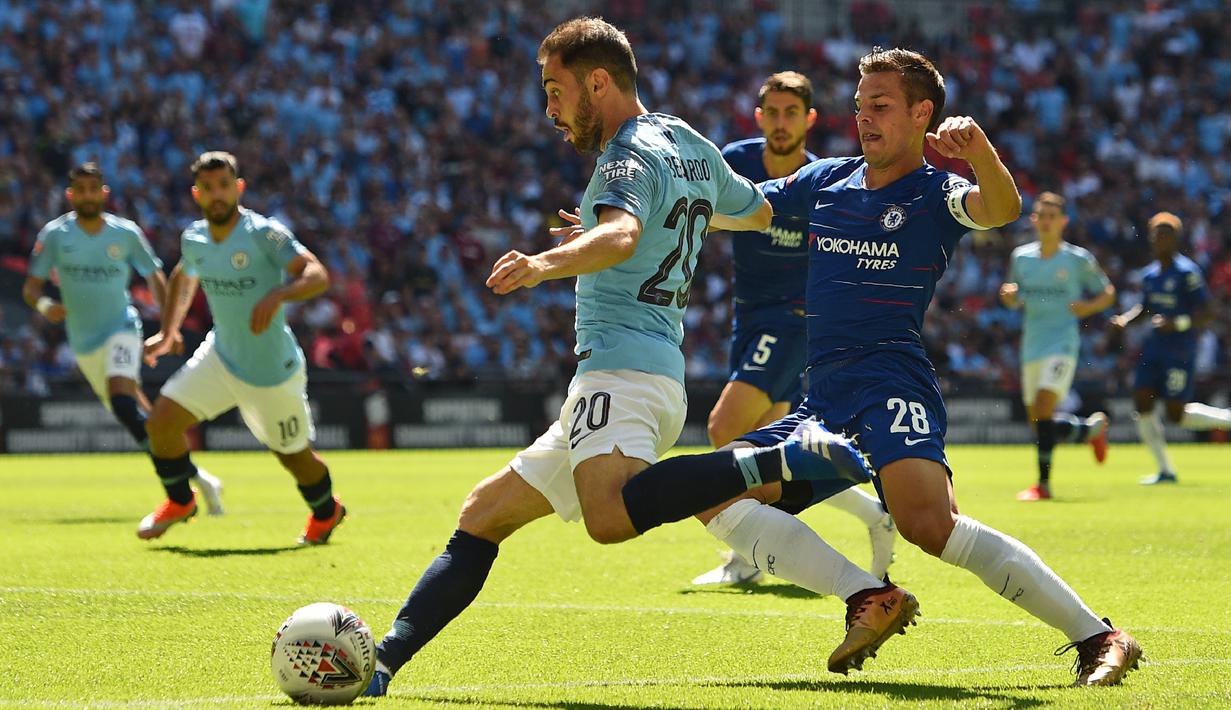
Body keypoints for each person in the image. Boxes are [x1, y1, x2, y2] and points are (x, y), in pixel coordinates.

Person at [364, 18, 877, 697]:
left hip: (623, 369)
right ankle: (380, 664)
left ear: (597, 82)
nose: (548, 108)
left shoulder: (625, 157)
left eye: (555, 90)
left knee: (607, 519)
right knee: (484, 512)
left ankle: (778, 457)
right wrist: (630, 228)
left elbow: (625, 233)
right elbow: (752, 212)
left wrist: (546, 260)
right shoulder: (686, 141)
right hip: (642, 369)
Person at [618, 47, 1142, 685]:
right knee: (713, 495)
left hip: (891, 378)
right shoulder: (827, 180)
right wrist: (642, 216)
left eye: (881, 107)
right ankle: (869, 595)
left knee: (929, 524)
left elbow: (1001, 209)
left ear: (923, 114)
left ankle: (1099, 635)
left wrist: (979, 153)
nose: (864, 118)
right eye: (860, 106)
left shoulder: (934, 191)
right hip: (822, 394)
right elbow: (746, 207)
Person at [697, 71, 895, 585]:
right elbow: (693, 204)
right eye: (772, 113)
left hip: (795, 321)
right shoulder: (734, 162)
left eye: (792, 113)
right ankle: (873, 513)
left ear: (809, 119)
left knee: (723, 430)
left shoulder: (822, 181)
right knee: (770, 453)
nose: (781, 123)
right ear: (758, 117)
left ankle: (747, 555)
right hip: (749, 315)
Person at [139, 151, 345, 545]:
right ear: (197, 193)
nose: (217, 195)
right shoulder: (194, 237)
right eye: (209, 188)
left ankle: (327, 512)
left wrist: (278, 295)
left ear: (238, 188)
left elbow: (317, 274)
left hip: (271, 371)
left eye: (224, 186)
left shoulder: (264, 233)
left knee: (293, 457)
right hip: (220, 356)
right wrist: (168, 332)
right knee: (161, 422)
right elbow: (185, 277)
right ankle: (181, 501)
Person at [23, 162, 223, 513]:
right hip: (84, 344)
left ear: (103, 193)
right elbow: (30, 287)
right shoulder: (55, 235)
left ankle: (179, 497)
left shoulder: (125, 233)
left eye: (92, 189)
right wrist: (44, 305)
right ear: (71, 195)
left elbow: (156, 276)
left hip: (121, 329)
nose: (87, 196)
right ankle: (198, 477)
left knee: (122, 401)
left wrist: (168, 328)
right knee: (139, 418)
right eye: (80, 190)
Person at [998, 191, 1115, 501]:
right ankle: (1088, 430)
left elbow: (1107, 293)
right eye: (1042, 216)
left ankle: (1043, 486)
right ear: (1034, 220)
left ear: (1063, 221)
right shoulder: (1021, 257)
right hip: (1031, 345)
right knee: (1039, 423)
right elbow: (1013, 298)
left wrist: (1088, 308)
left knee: (1044, 407)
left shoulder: (1077, 259)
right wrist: (1008, 296)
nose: (1047, 222)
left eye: (1053, 217)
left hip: (1062, 343)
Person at [1110, 211, 1231, 484]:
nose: (1161, 239)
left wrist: (1177, 324)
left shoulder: (1188, 273)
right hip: (1155, 347)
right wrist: (1125, 320)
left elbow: (1208, 312)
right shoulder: (1149, 275)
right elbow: (1146, 307)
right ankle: (1165, 469)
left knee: (1176, 415)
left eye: (1166, 234)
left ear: (1175, 239)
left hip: (1180, 348)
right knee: (1142, 401)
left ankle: (1227, 419)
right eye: (1157, 234)